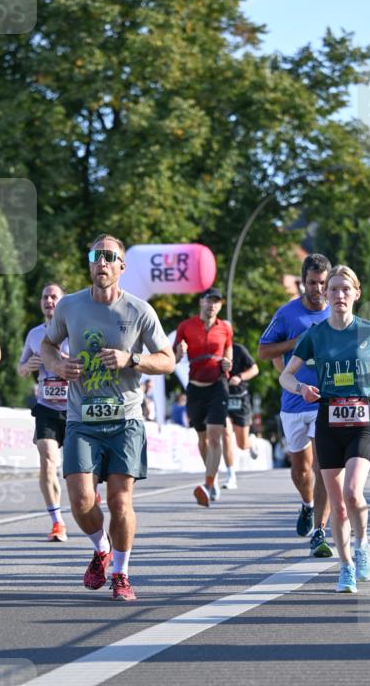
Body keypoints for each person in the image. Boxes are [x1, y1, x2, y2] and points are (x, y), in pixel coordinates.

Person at [41, 233, 174, 601]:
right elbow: (48, 345)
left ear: (121, 266)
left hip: (125, 420)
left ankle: (121, 573)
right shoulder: (70, 306)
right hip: (82, 418)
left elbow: (167, 360)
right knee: (82, 501)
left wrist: (131, 359)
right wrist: (58, 365)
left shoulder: (139, 310)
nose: (101, 262)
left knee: (119, 501)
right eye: (95, 256)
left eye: (109, 256)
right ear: (89, 263)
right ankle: (101, 549)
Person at [280, 265, 370, 592]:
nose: (338, 295)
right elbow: (285, 375)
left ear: (356, 293)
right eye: (333, 289)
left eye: (345, 289)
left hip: (362, 418)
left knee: (353, 492)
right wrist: (300, 389)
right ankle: (346, 566)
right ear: (326, 294)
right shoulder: (315, 334)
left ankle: (363, 545)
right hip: (328, 419)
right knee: (337, 503)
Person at [258, 254, 332, 558]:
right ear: (303, 282)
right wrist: (296, 343)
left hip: (323, 401)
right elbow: (264, 350)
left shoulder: (337, 314)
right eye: (313, 283)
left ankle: (320, 531)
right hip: (293, 402)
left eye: (323, 283)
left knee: (322, 467)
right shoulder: (287, 314)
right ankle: (306, 504)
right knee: (301, 471)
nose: (318, 289)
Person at [18, 283, 71, 542]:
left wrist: (65, 361)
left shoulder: (75, 331)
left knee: (79, 471)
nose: (49, 301)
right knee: (48, 459)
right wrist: (28, 365)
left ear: (62, 302)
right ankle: (57, 521)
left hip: (75, 409)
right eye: (45, 297)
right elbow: (20, 368)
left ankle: (90, 495)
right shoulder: (34, 334)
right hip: (47, 407)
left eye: (54, 296)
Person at [173, 287, 233, 507]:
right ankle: (213, 475)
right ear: (201, 302)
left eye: (216, 302)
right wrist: (180, 350)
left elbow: (229, 356)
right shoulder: (186, 327)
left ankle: (207, 485)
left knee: (215, 435)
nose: (212, 305)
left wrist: (228, 364)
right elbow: (175, 358)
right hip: (196, 388)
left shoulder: (225, 328)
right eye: (209, 301)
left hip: (218, 385)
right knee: (202, 438)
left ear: (220, 305)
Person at [221, 341, 260, 489]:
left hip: (240, 398)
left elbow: (255, 369)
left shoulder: (238, 349)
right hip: (222, 399)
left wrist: (240, 377)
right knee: (226, 435)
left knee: (241, 444)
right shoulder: (214, 351)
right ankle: (231, 476)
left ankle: (251, 441)